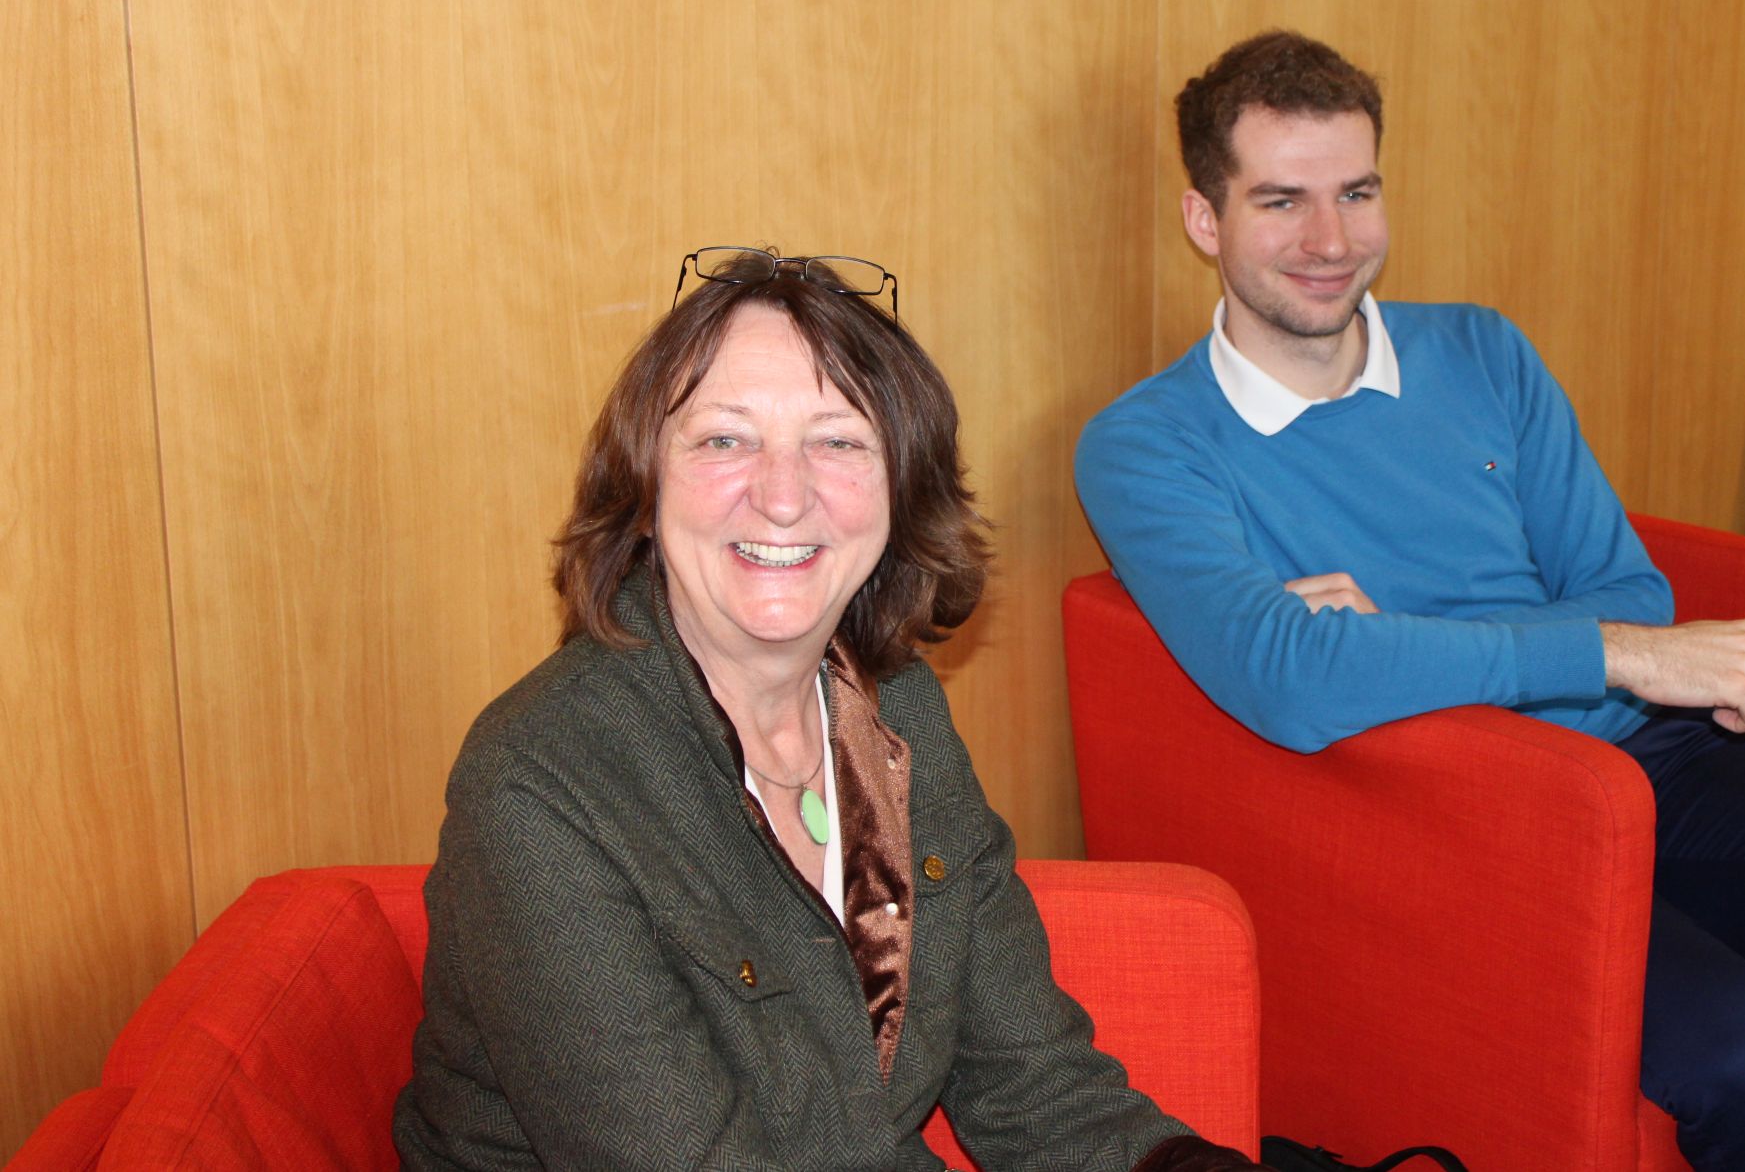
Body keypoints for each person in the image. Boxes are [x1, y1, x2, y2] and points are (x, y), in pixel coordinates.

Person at [1074, 32, 1745, 1172]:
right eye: (1280, 201)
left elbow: (1629, 592)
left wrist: (1410, 644)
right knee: (1743, 1053)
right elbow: (1290, 676)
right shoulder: (1146, 444)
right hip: (1481, 815)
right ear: (1204, 220)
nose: (1330, 241)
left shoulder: (1480, 350)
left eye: (1356, 192)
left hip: (1655, 760)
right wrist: (1608, 651)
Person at [395, 249, 1262, 1169]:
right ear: (643, 490)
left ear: (900, 491)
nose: (783, 495)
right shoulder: (541, 783)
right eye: (724, 440)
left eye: (838, 441)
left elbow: (1035, 1086)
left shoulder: (902, 712)